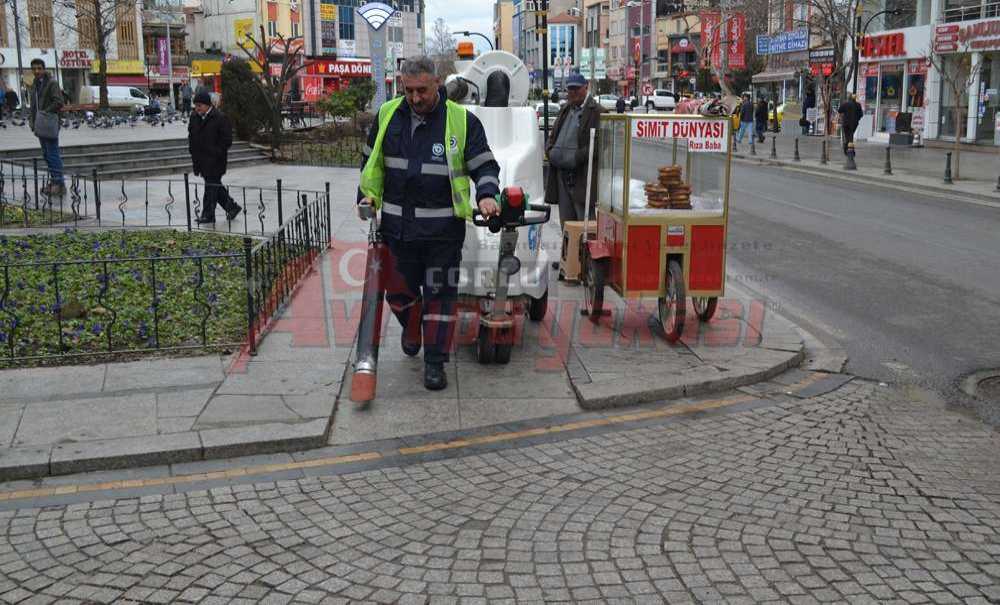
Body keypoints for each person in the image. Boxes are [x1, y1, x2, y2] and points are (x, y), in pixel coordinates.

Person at [356, 56, 501, 391]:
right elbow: (370, 162)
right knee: (398, 296)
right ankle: (411, 326)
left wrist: (487, 195)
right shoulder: (387, 114)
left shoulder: (461, 121)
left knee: (440, 301)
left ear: (438, 82)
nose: (415, 97)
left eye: (422, 90)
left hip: (442, 235)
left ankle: (435, 364)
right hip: (397, 231)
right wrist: (366, 196)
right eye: (408, 90)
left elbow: (484, 165)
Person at [546, 72, 604, 231]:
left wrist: (576, 157)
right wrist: (549, 151)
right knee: (567, 226)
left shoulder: (597, 111)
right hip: (561, 176)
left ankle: (583, 249)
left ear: (586, 87)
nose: (573, 92)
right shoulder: (565, 109)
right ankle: (568, 248)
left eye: (576, 88)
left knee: (585, 227)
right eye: (570, 89)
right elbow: (553, 135)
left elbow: (601, 144)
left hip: (581, 178)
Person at [188, 90, 242, 224]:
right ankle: (232, 207)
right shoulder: (194, 117)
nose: (197, 108)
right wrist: (192, 151)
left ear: (207, 105)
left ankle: (208, 215)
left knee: (210, 186)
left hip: (216, 160)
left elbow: (227, 140)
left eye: (199, 105)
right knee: (214, 186)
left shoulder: (220, 118)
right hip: (201, 159)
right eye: (196, 105)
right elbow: (191, 136)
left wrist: (216, 151)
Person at [27, 59, 65, 196]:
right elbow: (33, 105)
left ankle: (58, 183)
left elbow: (59, 102)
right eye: (34, 69)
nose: (36, 71)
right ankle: (55, 181)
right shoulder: (35, 84)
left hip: (48, 122)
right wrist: (32, 121)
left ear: (44, 69)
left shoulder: (51, 83)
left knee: (52, 153)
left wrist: (44, 113)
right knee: (46, 154)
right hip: (40, 123)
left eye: (39, 68)